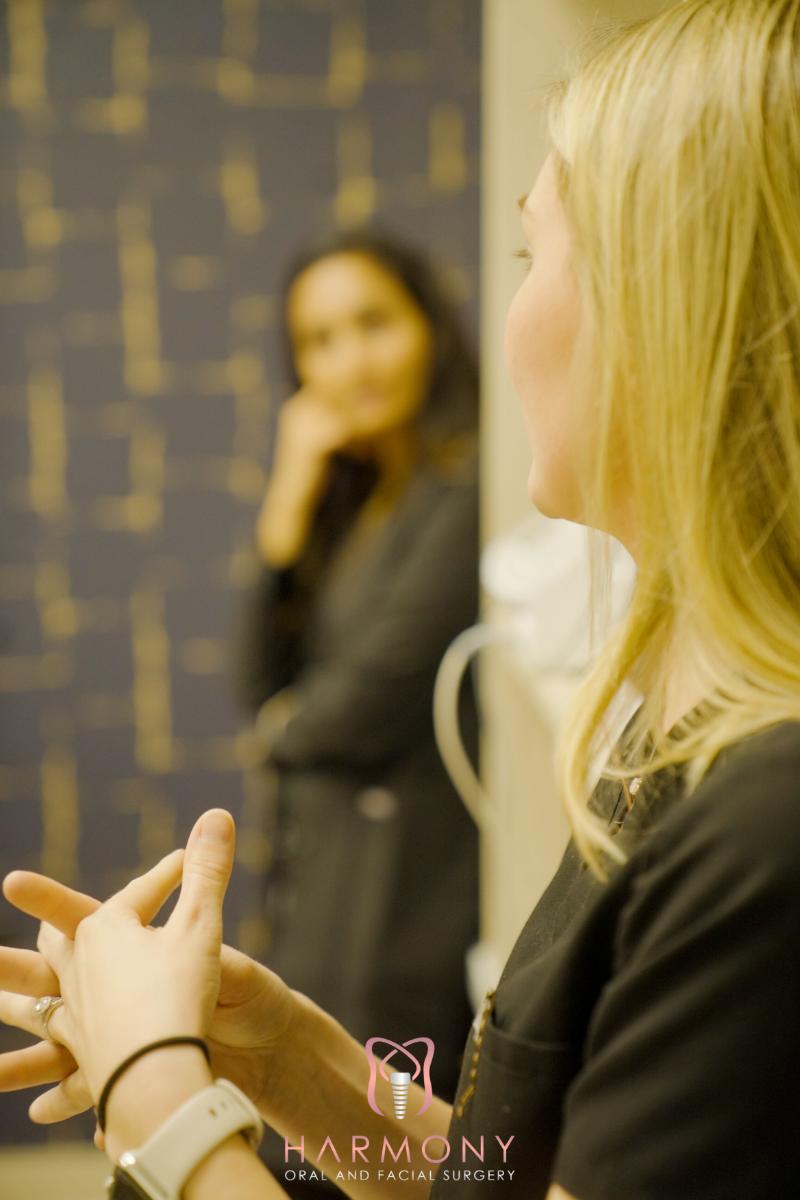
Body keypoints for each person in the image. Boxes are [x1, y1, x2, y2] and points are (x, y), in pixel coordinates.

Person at [2, 2, 800, 1197]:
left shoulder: (765, 828)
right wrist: (296, 1063)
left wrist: (157, 1090)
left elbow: (318, 713)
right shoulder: (676, 751)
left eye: (532, 257)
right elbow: (516, 1172)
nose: (512, 305)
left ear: (665, 306)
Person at [231, 228, 481, 1118]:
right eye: (319, 340)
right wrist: (286, 502)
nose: (350, 360)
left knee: (384, 1136)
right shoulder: (362, 500)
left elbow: (370, 696)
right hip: (330, 871)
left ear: (430, 328)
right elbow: (260, 680)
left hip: (410, 882)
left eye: (373, 322)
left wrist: (282, 729)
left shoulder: (469, 489)